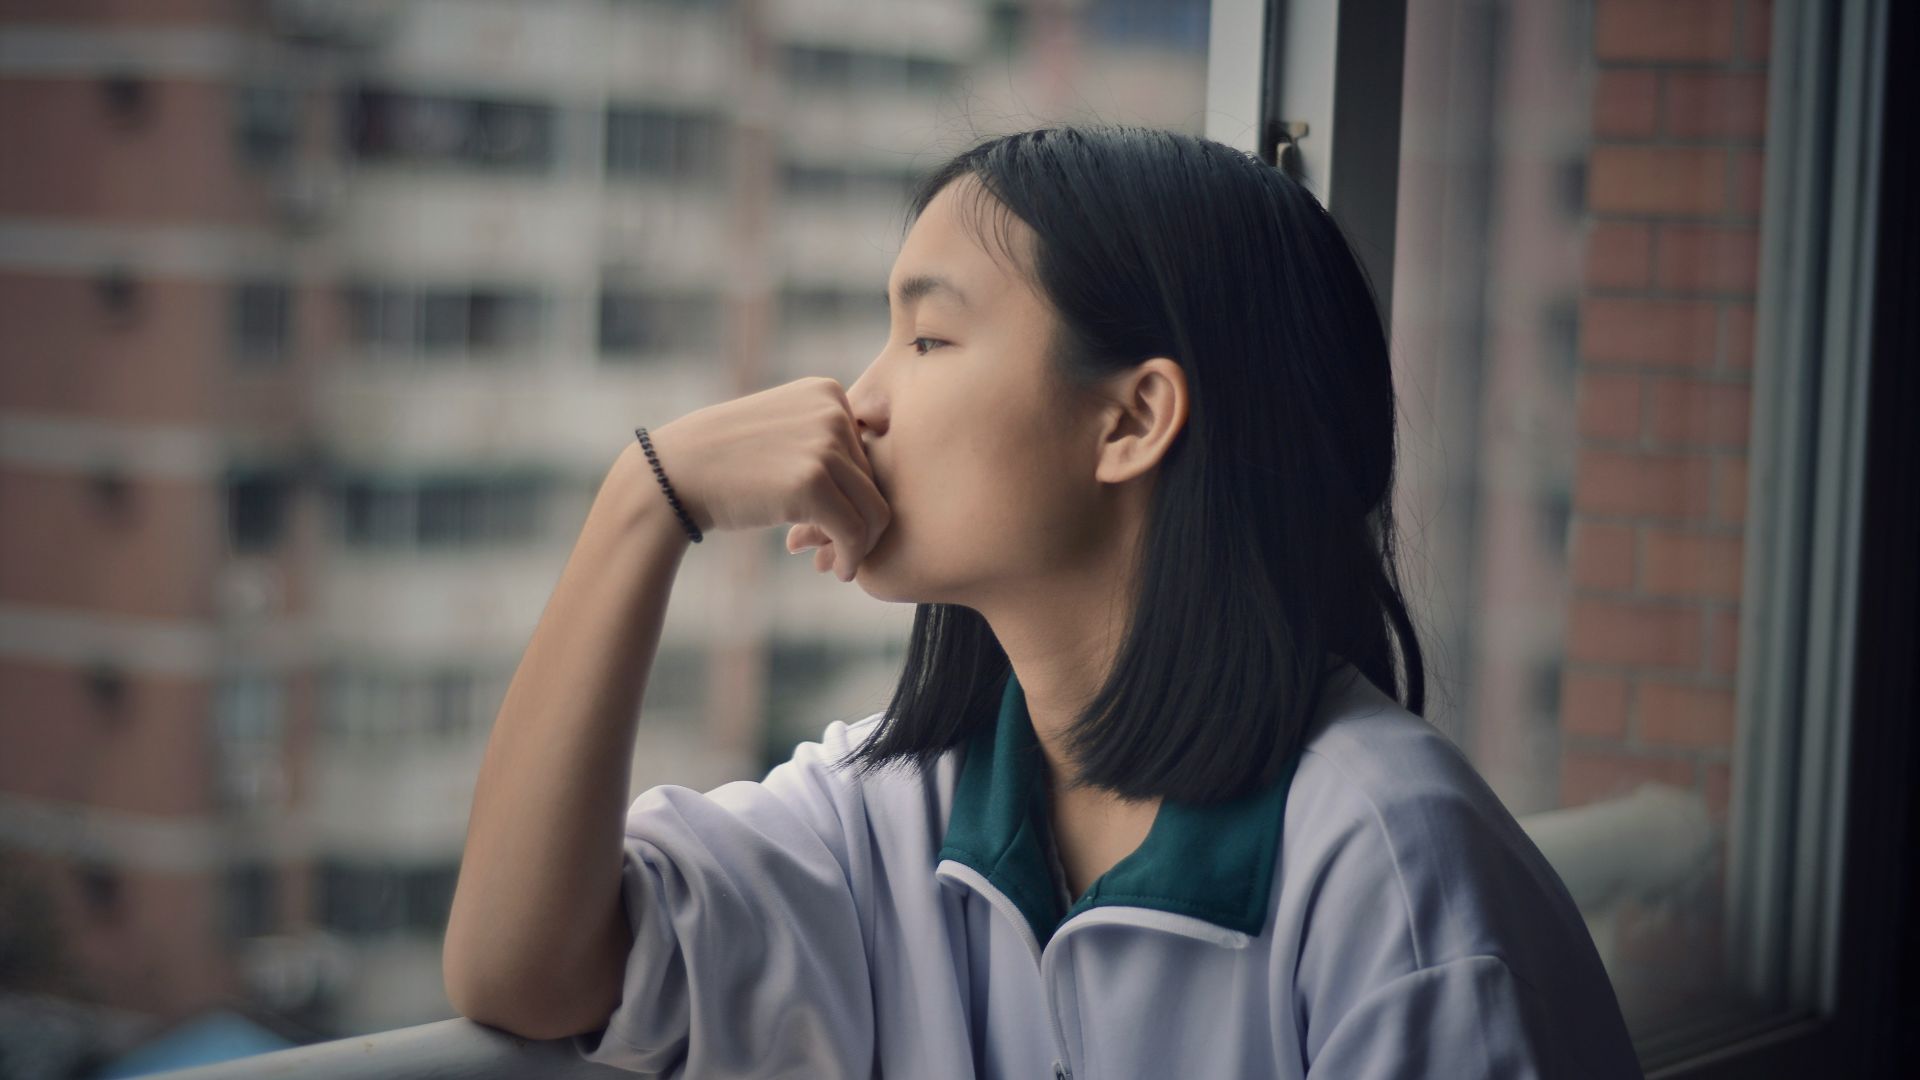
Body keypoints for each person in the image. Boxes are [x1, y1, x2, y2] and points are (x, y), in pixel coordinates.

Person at [442, 124, 1645, 1078]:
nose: (855, 404)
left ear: (1132, 419)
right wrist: (643, 500)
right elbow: (524, 971)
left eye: (926, 339)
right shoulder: (897, 818)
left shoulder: (1393, 872)